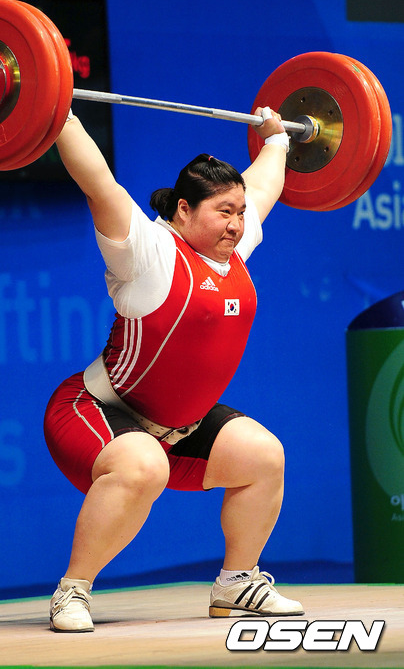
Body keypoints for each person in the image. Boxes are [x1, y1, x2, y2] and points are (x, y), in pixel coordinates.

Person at [43, 104, 304, 632]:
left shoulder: (233, 248)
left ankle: (237, 584)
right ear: (184, 209)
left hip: (176, 430)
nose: (237, 223)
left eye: (239, 212)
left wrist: (277, 140)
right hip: (93, 411)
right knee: (144, 466)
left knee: (264, 456)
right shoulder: (148, 251)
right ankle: (73, 591)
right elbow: (98, 184)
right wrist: (59, 114)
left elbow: (264, 185)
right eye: (224, 212)